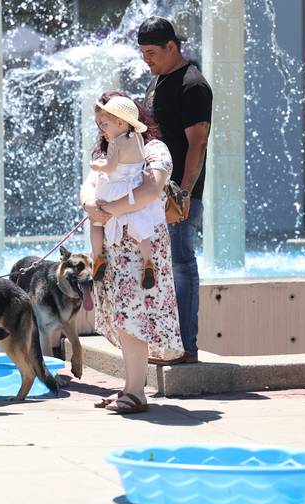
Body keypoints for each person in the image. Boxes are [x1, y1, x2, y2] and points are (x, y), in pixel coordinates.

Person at [81, 91, 183, 414]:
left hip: (142, 251)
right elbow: (90, 182)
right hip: (114, 247)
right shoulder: (108, 149)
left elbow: (152, 188)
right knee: (125, 316)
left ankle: (137, 391)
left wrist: (110, 208)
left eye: (107, 120)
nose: (102, 127)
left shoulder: (153, 148)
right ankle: (131, 387)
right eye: (100, 122)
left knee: (133, 314)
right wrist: (91, 206)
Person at [138, 16, 213, 364]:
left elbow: (197, 144)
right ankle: (170, 343)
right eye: (142, 52)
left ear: (172, 46)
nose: (146, 59)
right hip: (158, 193)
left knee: (182, 264)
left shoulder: (192, 85)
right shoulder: (159, 80)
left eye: (152, 52)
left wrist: (183, 193)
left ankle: (186, 347)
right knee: (165, 267)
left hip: (179, 196)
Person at [88, 95, 165, 289]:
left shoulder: (116, 142)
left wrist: (97, 166)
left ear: (120, 122)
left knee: (96, 221)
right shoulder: (138, 139)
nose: (102, 130)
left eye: (104, 124)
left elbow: (111, 166)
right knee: (141, 226)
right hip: (134, 190)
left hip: (114, 189)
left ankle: (97, 257)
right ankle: (148, 261)